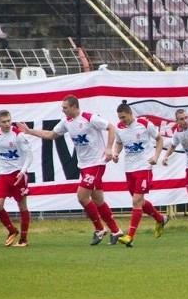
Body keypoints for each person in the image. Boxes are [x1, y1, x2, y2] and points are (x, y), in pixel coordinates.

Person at [17, 95, 124, 246]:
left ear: (74, 107)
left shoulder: (89, 118)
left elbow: (111, 127)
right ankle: (116, 231)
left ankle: (100, 229)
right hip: (84, 165)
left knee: (81, 196)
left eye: (65, 108)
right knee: (98, 200)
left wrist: (108, 148)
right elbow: (51, 135)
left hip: (96, 163)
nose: (63, 110)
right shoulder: (66, 122)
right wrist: (29, 131)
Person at [113, 100, 167, 247]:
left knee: (136, 200)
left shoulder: (144, 124)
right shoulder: (119, 128)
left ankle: (130, 236)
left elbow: (159, 139)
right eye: (119, 118)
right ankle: (160, 218)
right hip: (129, 169)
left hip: (144, 167)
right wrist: (116, 153)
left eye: (123, 117)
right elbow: (119, 142)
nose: (121, 120)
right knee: (140, 202)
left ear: (130, 113)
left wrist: (156, 157)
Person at [0, 110, 33, 247]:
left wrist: (23, 172)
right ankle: (12, 230)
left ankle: (24, 239)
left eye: (9, 121)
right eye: (4, 122)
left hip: (18, 173)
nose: (7, 124)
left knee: (22, 206)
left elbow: (29, 155)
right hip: (3, 174)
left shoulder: (18, 135)